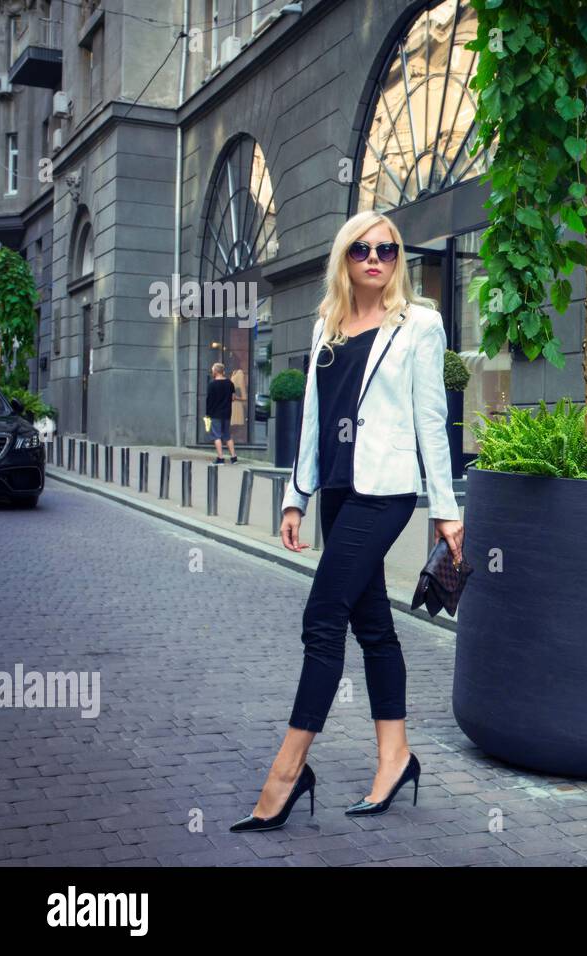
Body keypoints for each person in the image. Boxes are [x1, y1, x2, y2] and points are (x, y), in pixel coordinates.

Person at [230, 209, 464, 832]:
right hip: (335, 490)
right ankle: (395, 758)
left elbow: (430, 422)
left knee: (321, 618)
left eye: (387, 250)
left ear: (398, 261)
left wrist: (446, 509)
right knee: (373, 627)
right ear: (345, 257)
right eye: (362, 249)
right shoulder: (326, 326)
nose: (375, 260)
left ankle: (286, 773)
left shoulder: (420, 325)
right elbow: (312, 418)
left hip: (384, 494)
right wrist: (294, 496)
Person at [206, 363, 237, 464]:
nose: (212, 372)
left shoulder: (212, 384)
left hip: (215, 414)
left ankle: (220, 458)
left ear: (215, 371)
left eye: (212, 370)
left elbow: (209, 401)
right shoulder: (230, 383)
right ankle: (234, 457)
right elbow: (233, 398)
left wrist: (208, 414)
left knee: (216, 436)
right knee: (227, 435)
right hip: (227, 413)